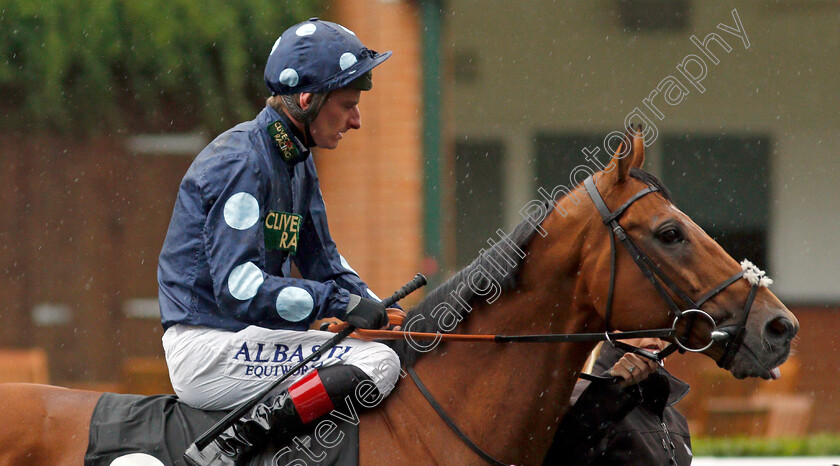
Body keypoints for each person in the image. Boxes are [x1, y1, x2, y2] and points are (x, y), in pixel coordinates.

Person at [156, 18, 401, 465]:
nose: (357, 120)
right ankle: (227, 445)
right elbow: (241, 289)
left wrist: (379, 307)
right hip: (208, 347)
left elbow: (325, 261)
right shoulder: (242, 162)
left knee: (390, 348)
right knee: (378, 365)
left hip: (245, 340)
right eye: (347, 105)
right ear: (307, 100)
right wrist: (338, 305)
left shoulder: (297, 161)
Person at [543, 337, 693, 465]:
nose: (656, 337)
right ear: (612, 329)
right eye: (643, 321)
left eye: (664, 327)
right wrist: (608, 392)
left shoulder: (676, 419)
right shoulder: (580, 399)